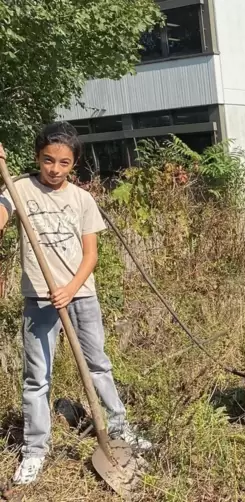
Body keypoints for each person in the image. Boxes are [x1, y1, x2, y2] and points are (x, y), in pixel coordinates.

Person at [0, 122, 152, 486]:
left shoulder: (82, 200)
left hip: (81, 295)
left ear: (74, 165)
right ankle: (35, 450)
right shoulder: (19, 189)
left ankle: (119, 429)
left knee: (98, 364)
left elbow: (90, 255)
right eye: (48, 160)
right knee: (37, 378)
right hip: (39, 298)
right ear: (37, 158)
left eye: (64, 163)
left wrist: (70, 288)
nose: (54, 169)